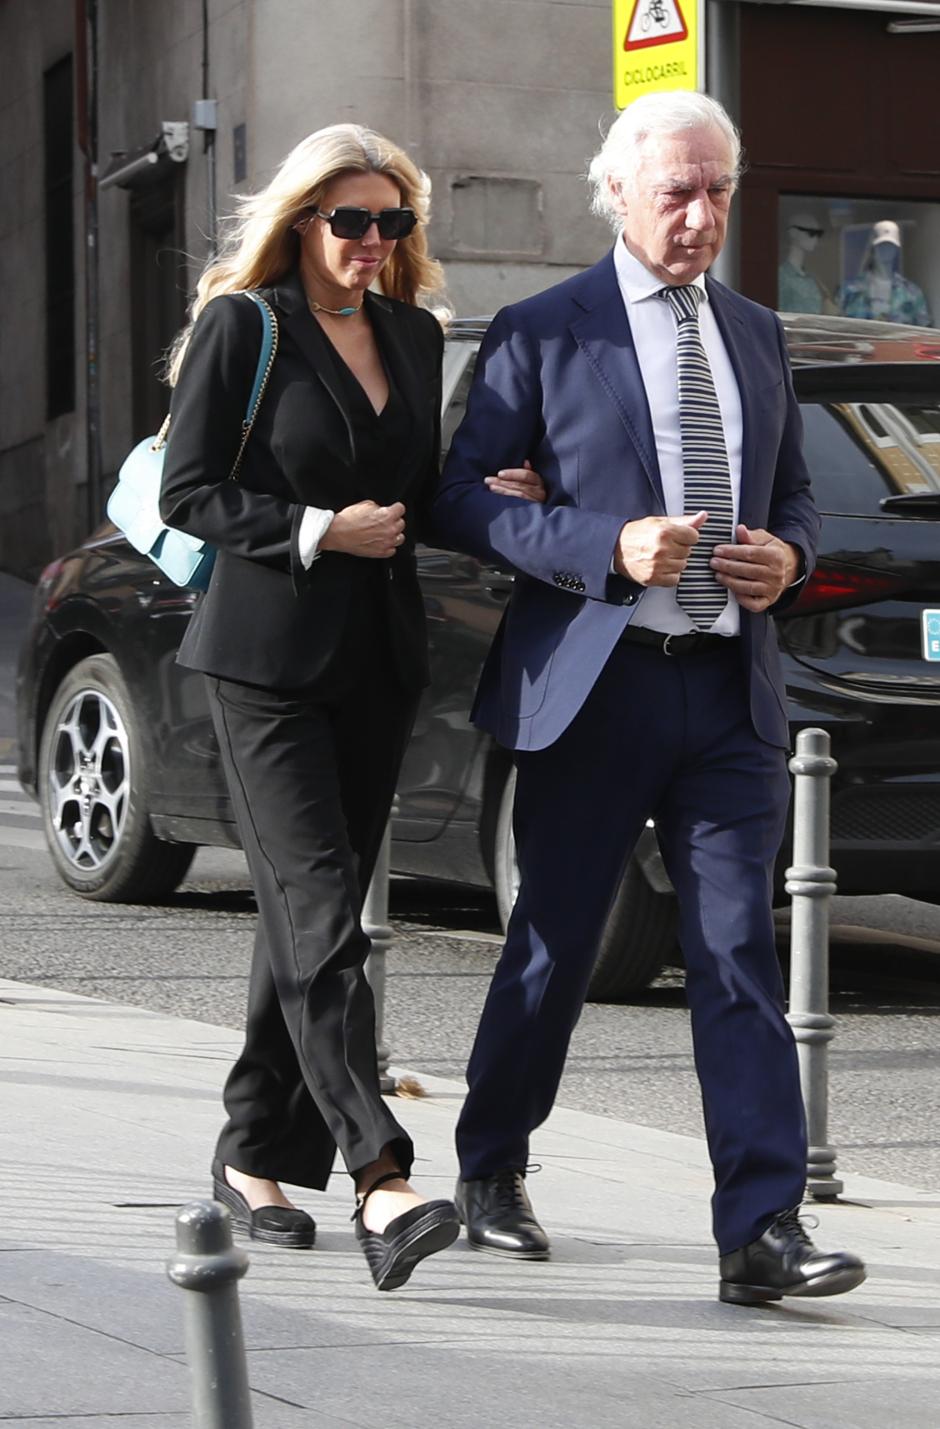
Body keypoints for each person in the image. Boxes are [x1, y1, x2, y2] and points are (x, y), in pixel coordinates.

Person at [433, 92, 868, 1306]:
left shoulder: (755, 332)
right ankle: (491, 1165)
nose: (700, 215)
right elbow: (460, 499)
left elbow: (793, 497)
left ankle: (760, 1229)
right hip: (596, 686)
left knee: (736, 952)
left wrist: (784, 556)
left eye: (717, 190)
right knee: (556, 945)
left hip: (728, 690)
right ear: (616, 193)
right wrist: (599, 544)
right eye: (676, 191)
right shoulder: (541, 331)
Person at [159, 123, 543, 1291]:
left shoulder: (414, 335)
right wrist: (316, 530)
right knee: (325, 908)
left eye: (392, 223)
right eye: (350, 221)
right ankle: (380, 1172)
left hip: (377, 661)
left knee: (300, 916)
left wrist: (486, 494)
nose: (373, 243)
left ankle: (247, 1156)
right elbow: (187, 490)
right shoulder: (248, 326)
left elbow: (413, 493)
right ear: (302, 221)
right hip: (263, 662)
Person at [837, 219, 930, 326]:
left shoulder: (912, 293)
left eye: (890, 246)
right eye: (881, 246)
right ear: (873, 249)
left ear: (896, 250)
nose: (886, 250)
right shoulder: (849, 291)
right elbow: (833, 328)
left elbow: (925, 332)